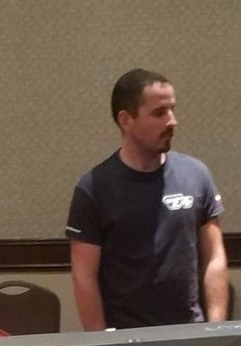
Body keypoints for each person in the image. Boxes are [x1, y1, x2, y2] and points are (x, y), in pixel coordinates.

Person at [66, 69, 228, 329]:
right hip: (126, 339)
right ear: (126, 120)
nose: (172, 121)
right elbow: (84, 277)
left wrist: (216, 329)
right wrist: (101, 344)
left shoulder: (196, 175)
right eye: (159, 113)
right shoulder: (93, 188)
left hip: (190, 334)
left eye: (172, 110)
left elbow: (214, 258)